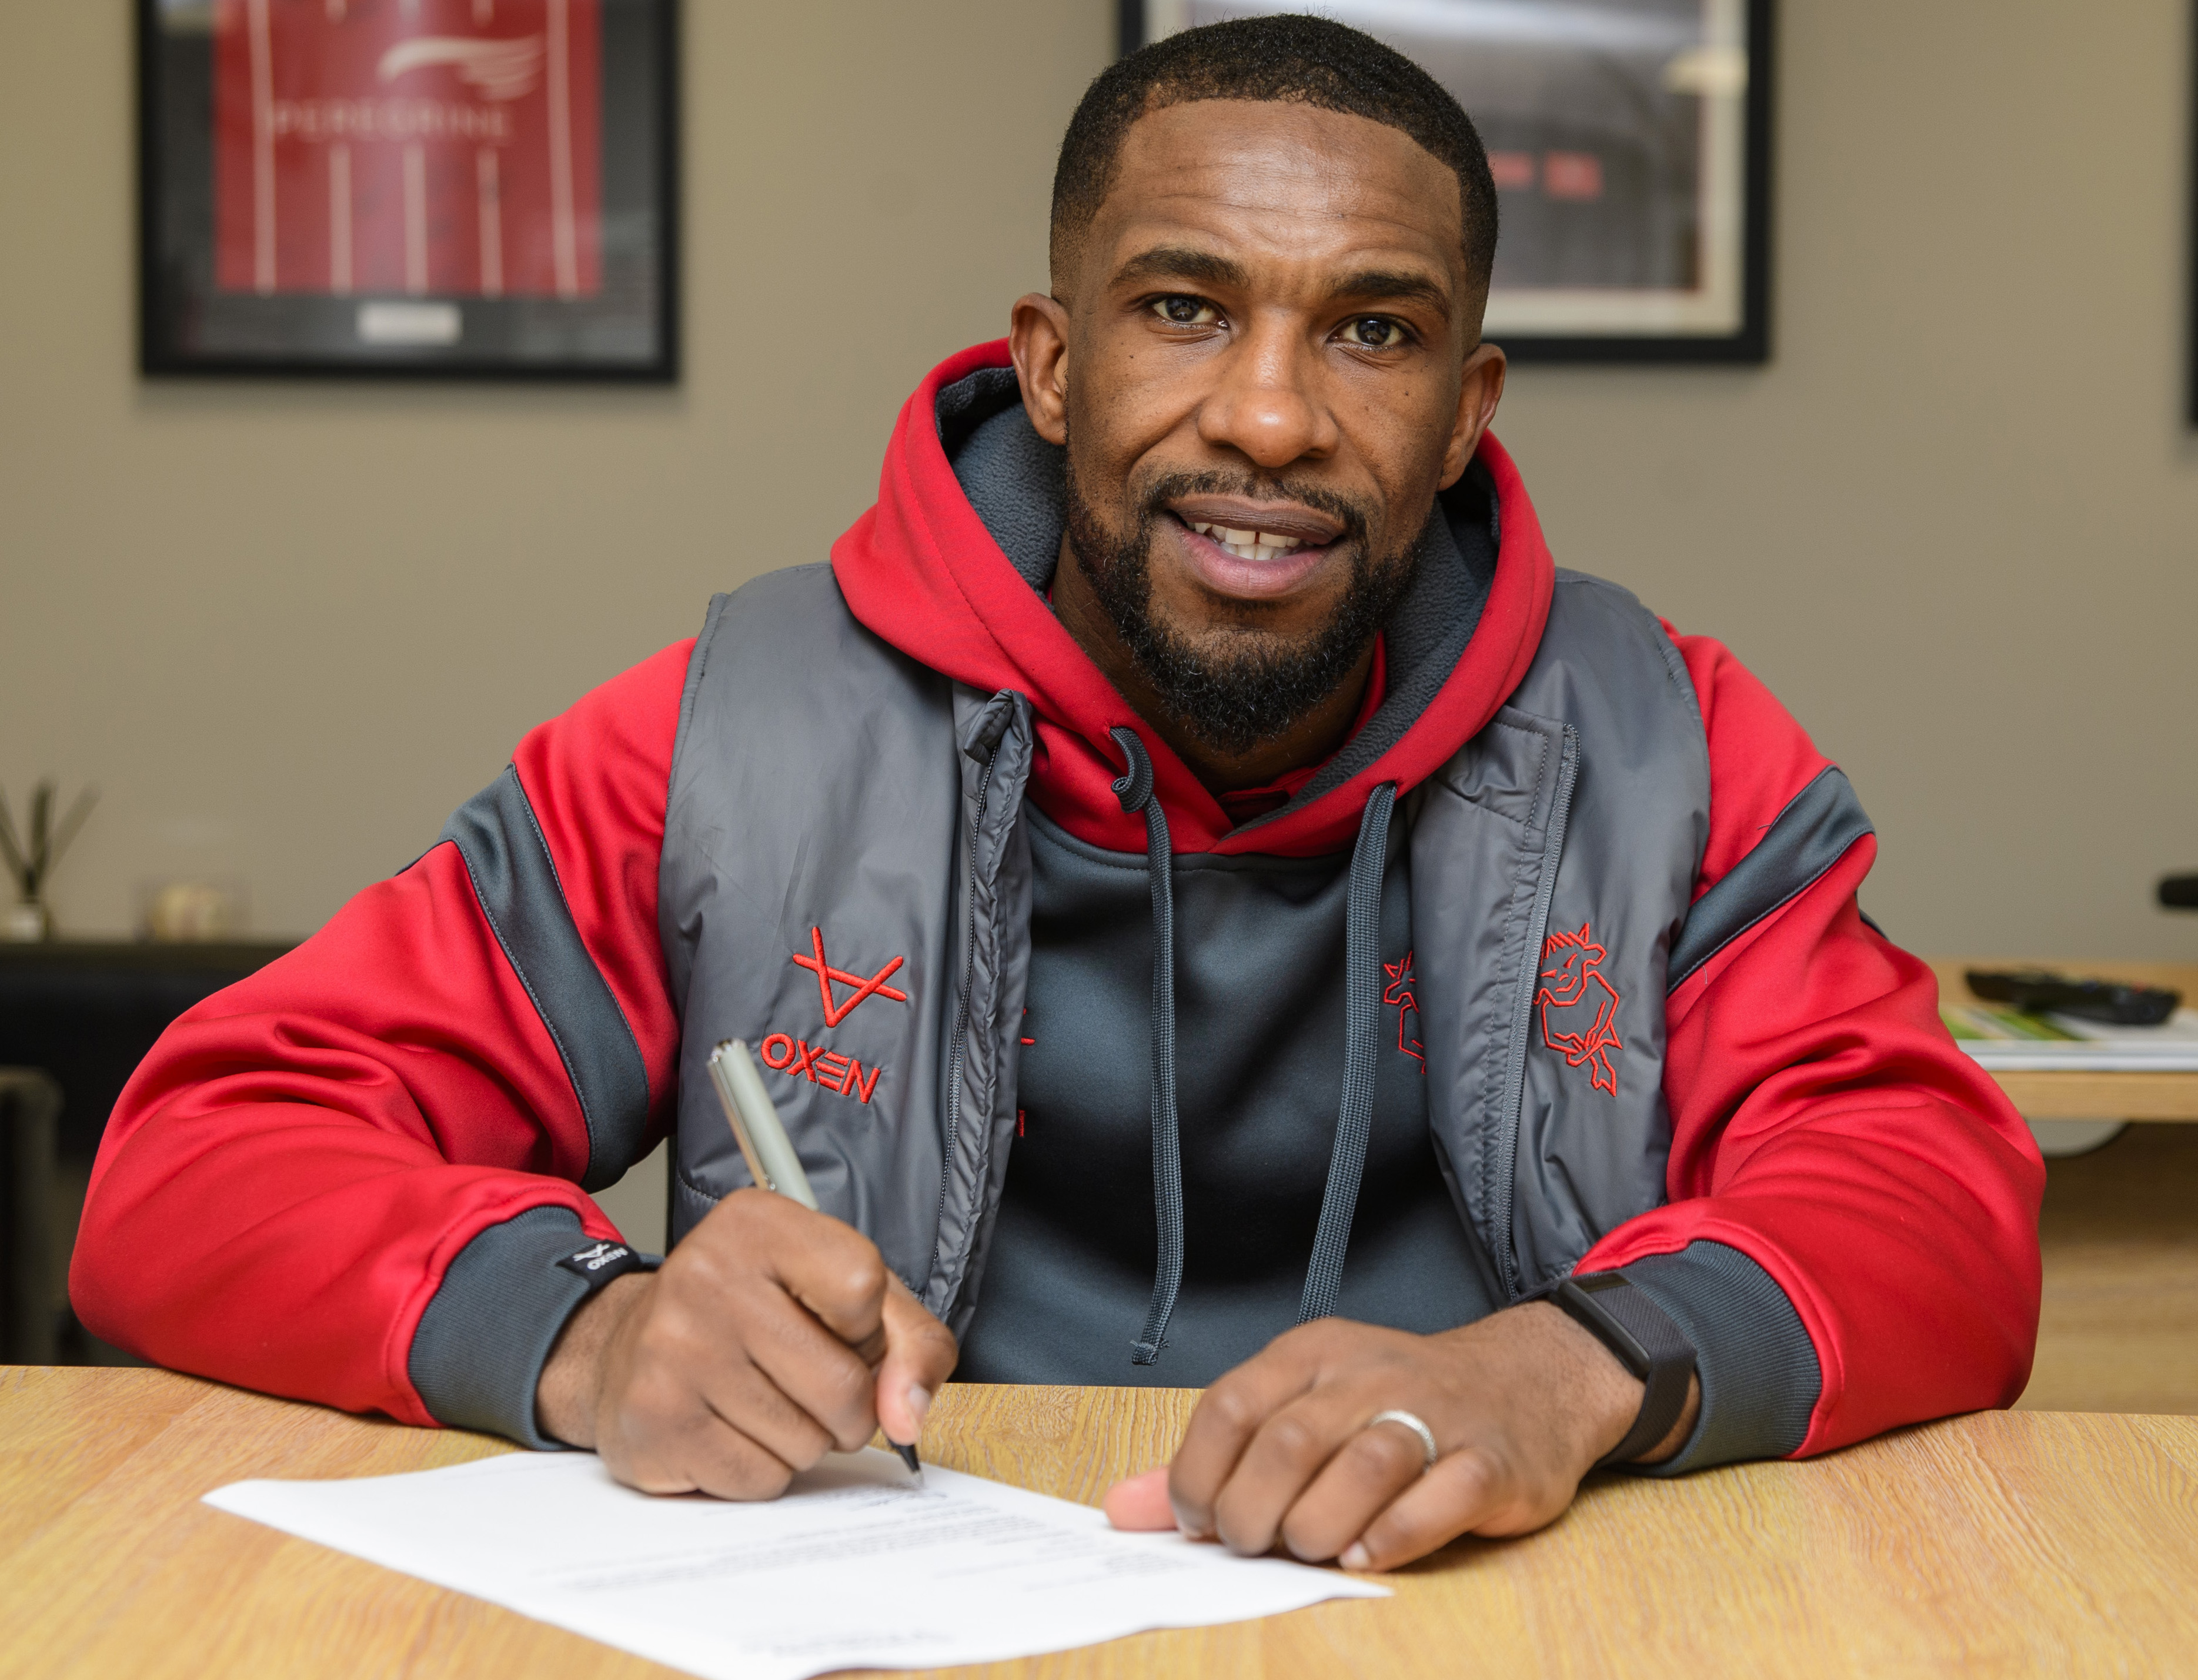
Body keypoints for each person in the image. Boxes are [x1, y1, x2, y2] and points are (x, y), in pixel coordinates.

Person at [74, 16, 2042, 1574]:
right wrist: (588, 1334)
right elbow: (195, 1164)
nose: (1268, 416)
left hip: (1501, 1605)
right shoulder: (730, 735)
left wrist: (1565, 1369)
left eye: (1371, 330)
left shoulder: (1674, 745)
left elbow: (1938, 1204)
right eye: (1184, 306)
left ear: (1465, 413)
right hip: (896, 1613)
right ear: (1050, 361)